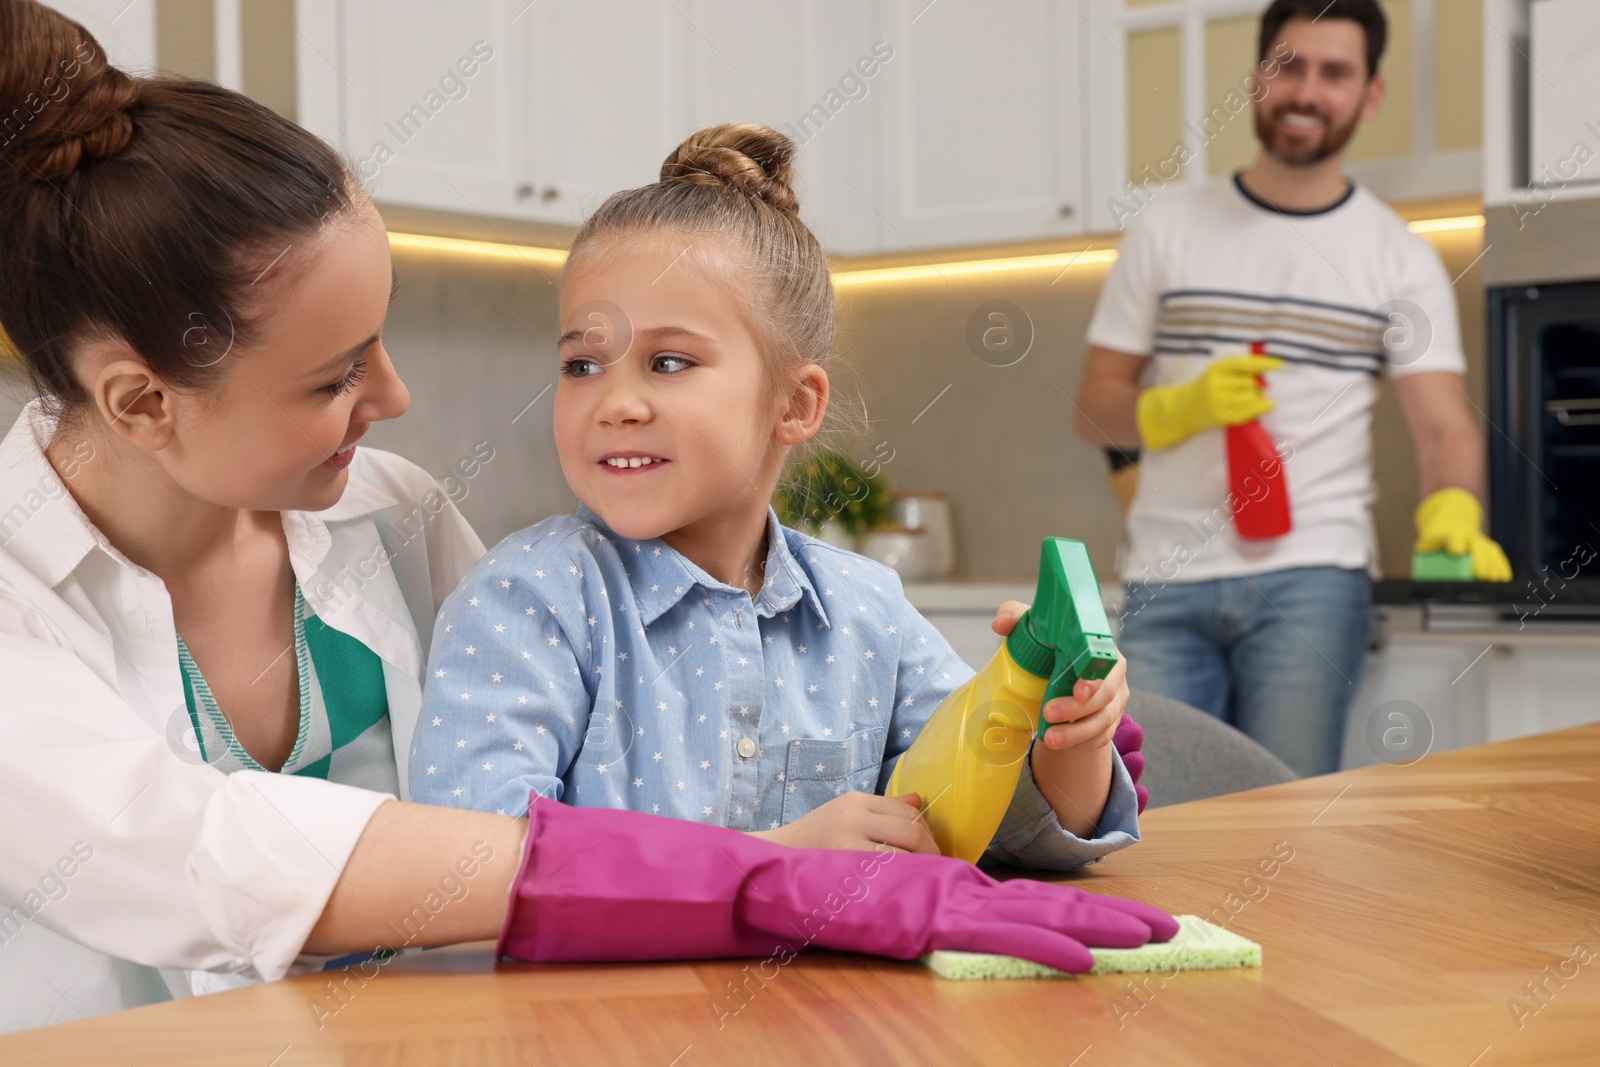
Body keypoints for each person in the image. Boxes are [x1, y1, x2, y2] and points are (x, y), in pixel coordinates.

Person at [0, 0, 1175, 1037]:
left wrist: (1050, 736)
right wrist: (756, 876)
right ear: (143, 400)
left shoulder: (388, 513)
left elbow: (960, 801)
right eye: (334, 376)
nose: (397, 400)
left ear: (795, 402)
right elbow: (217, 851)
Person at [412, 123, 1146, 868]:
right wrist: (774, 861)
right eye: (582, 363)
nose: (616, 402)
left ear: (794, 405)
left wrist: (1069, 736)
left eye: (667, 361)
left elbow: (1008, 839)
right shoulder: (525, 601)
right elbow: (466, 871)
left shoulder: (868, 608)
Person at [1073, 0, 1510, 778]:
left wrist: (1455, 506)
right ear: (1255, 81)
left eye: (1334, 73)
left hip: (1314, 579)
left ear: (1369, 95)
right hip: (1167, 575)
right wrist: (1177, 407)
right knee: (1150, 819)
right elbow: (1095, 404)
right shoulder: (1166, 227)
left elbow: (1447, 429)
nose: (1307, 91)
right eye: (1289, 67)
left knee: (1289, 822)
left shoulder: (1398, 257)